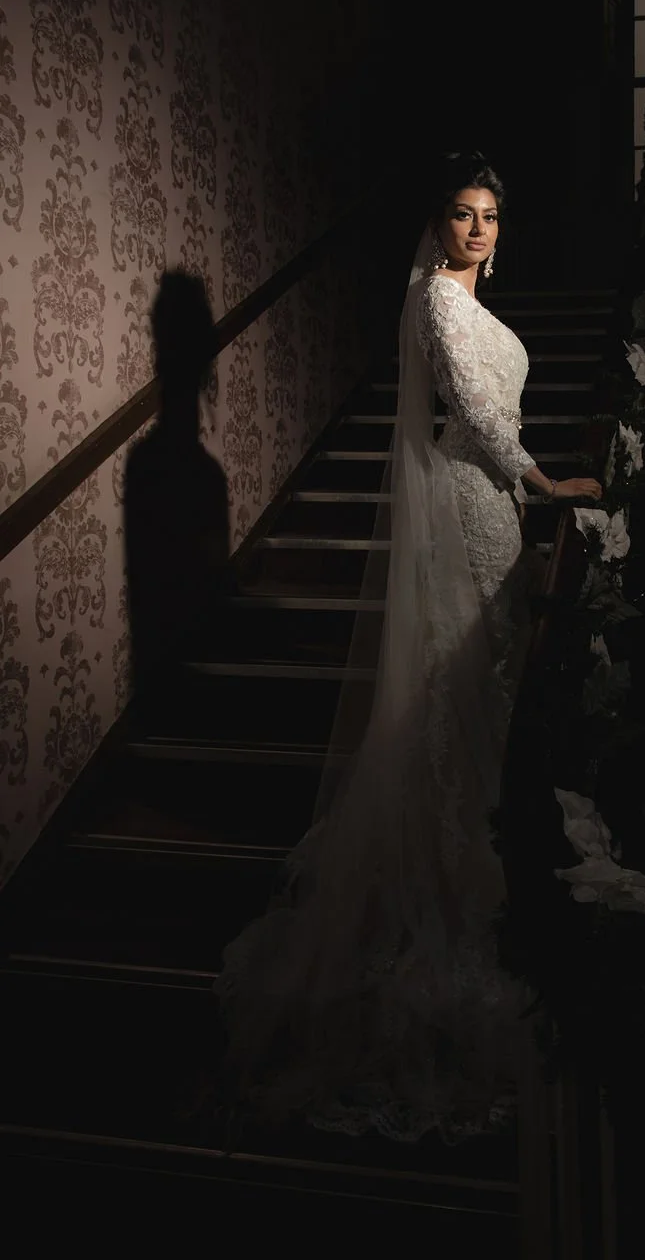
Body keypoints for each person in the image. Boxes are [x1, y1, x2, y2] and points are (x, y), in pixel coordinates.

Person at [215, 152, 602, 1143]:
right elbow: (475, 417)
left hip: (496, 512)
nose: (476, 231)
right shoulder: (435, 300)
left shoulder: (468, 300)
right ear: (439, 226)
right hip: (480, 504)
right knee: (463, 696)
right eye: (463, 216)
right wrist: (552, 485)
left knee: (490, 695)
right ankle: (448, 881)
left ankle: (485, 845)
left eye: (490, 218)